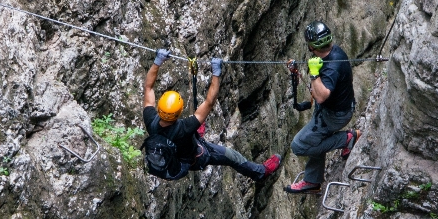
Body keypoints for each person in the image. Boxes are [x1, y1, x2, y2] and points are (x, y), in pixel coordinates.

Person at [143, 48, 281, 181]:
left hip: (173, 155)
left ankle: (197, 136)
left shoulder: (150, 120)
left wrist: (157, 62)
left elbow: (148, 88)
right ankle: (260, 173)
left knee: (196, 123)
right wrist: (216, 73)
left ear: (159, 107)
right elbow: (209, 102)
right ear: (179, 112)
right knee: (232, 156)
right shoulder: (185, 127)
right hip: (196, 158)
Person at [285, 21, 360, 194]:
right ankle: (312, 181)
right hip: (334, 109)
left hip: (335, 115)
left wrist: (313, 73)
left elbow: (321, 96)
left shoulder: (332, 66)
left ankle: (347, 139)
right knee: (313, 138)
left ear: (311, 47)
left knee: (299, 146)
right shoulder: (332, 53)